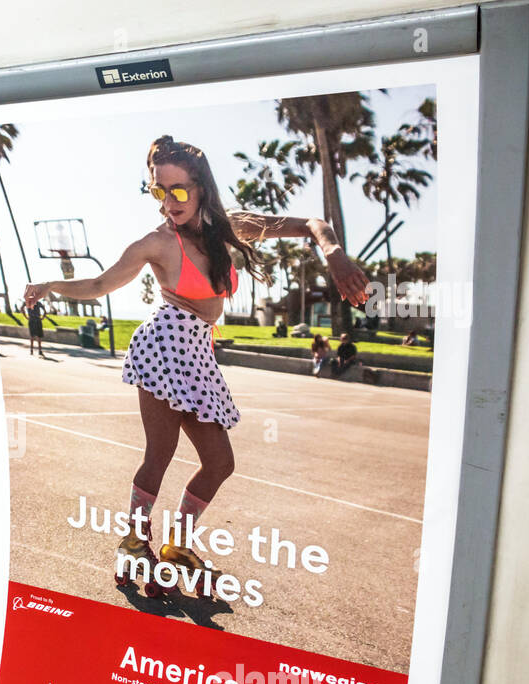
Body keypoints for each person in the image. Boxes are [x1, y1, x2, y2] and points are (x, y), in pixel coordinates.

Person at [23, 135, 369, 596]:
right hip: (165, 344)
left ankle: (178, 546)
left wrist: (334, 254)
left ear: (202, 187)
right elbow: (102, 282)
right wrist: (50, 285)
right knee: (159, 455)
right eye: (159, 191)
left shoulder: (231, 228)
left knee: (219, 462)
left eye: (179, 190)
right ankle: (132, 543)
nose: (169, 202)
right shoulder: (157, 243)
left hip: (198, 353)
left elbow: (313, 223)